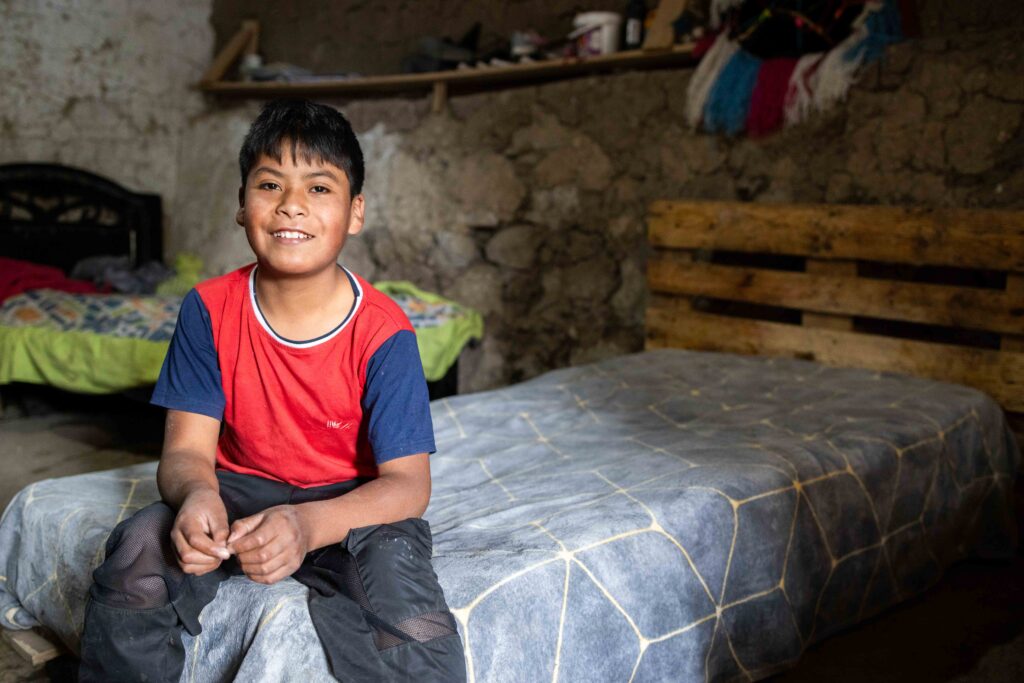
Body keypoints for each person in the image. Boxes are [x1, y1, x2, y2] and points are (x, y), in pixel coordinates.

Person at [78, 99, 466, 682]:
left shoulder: (385, 333)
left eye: (318, 188)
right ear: (242, 205)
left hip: (349, 505)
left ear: (355, 212)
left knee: (410, 618)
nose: (290, 205)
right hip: (235, 493)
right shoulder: (208, 310)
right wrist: (196, 497)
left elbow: (407, 487)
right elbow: (185, 453)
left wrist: (307, 526)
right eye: (269, 184)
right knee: (137, 553)